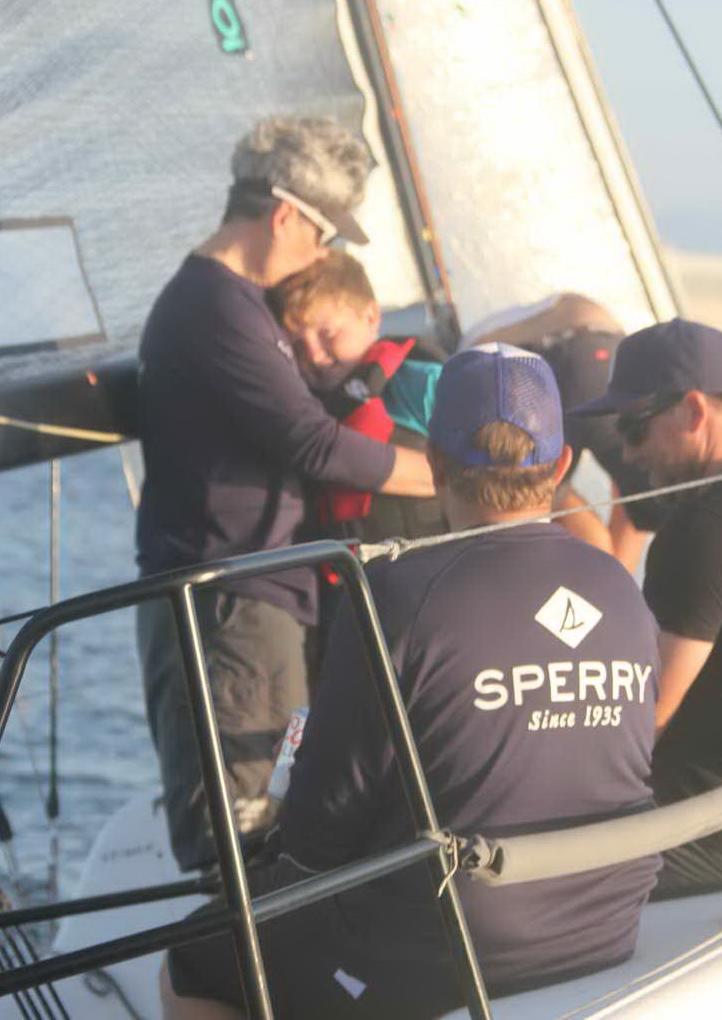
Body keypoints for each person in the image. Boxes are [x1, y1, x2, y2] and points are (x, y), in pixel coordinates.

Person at [163, 343, 660, 1019]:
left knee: (194, 957)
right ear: (563, 463)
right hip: (606, 927)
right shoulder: (619, 585)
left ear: (433, 463)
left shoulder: (393, 596)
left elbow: (316, 841)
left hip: (456, 952)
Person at [135, 115, 433, 871]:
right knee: (241, 838)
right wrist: (449, 477)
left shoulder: (237, 305)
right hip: (227, 606)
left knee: (281, 812)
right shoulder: (214, 306)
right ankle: (232, 948)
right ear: (285, 216)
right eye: (324, 235)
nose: (324, 254)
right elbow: (312, 443)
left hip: (257, 603)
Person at [572, 318, 722, 895]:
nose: (628, 453)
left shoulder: (704, 529)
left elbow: (646, 718)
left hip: (710, 837)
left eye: (634, 426)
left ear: (693, 410)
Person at [460, 293, 659, 571]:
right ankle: (612, 580)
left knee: (550, 494)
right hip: (581, 351)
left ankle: (611, 577)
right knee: (631, 496)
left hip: (582, 345)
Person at [268, 249, 447, 546]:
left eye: (328, 334)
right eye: (298, 347)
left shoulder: (426, 385)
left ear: (370, 316)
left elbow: (499, 475)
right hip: (356, 570)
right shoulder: (302, 413)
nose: (314, 355)